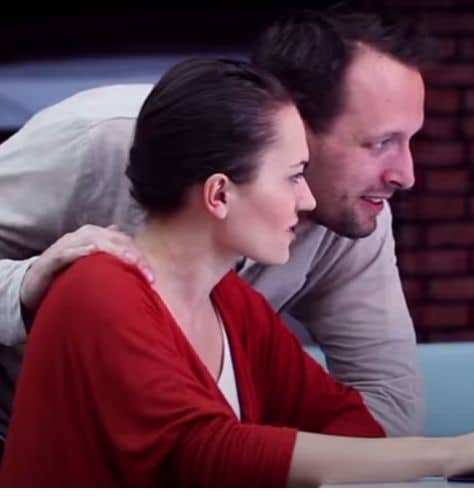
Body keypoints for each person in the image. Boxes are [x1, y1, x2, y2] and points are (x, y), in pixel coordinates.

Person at [0, 58, 474, 487]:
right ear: (218, 195)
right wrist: (454, 452)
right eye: (292, 177)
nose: (308, 201)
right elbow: (201, 452)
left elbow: (352, 420)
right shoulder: (99, 287)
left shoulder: (230, 302)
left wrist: (453, 454)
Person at [0, 8, 430, 442]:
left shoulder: (348, 220)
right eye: (380, 143)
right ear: (289, 120)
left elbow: (385, 406)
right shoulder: (102, 139)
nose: (406, 175)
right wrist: (27, 285)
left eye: (410, 140)